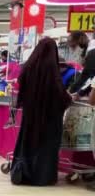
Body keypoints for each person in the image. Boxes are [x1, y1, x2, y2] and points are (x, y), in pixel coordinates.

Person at [11, 38, 72, 186]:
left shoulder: (28, 67)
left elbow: (21, 89)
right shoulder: (52, 69)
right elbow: (59, 93)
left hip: (30, 114)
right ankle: (43, 177)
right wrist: (68, 98)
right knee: (47, 146)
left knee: (28, 143)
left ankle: (23, 173)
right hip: (50, 116)